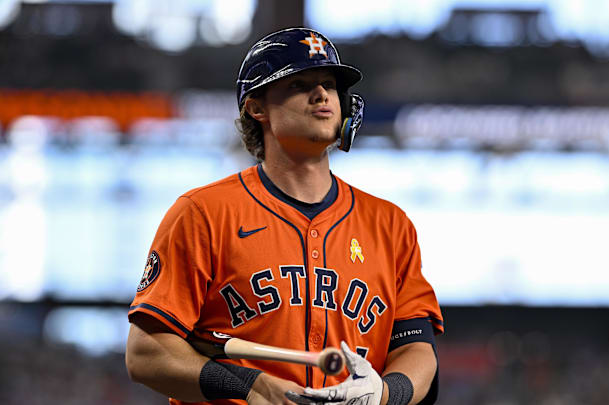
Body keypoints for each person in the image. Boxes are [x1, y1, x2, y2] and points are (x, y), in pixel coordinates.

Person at [125, 27, 444, 405]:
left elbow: (417, 348)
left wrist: (385, 394)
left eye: (328, 83)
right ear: (256, 108)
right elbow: (145, 354)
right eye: (299, 84)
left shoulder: (390, 225)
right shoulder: (203, 214)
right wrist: (247, 384)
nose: (322, 94)